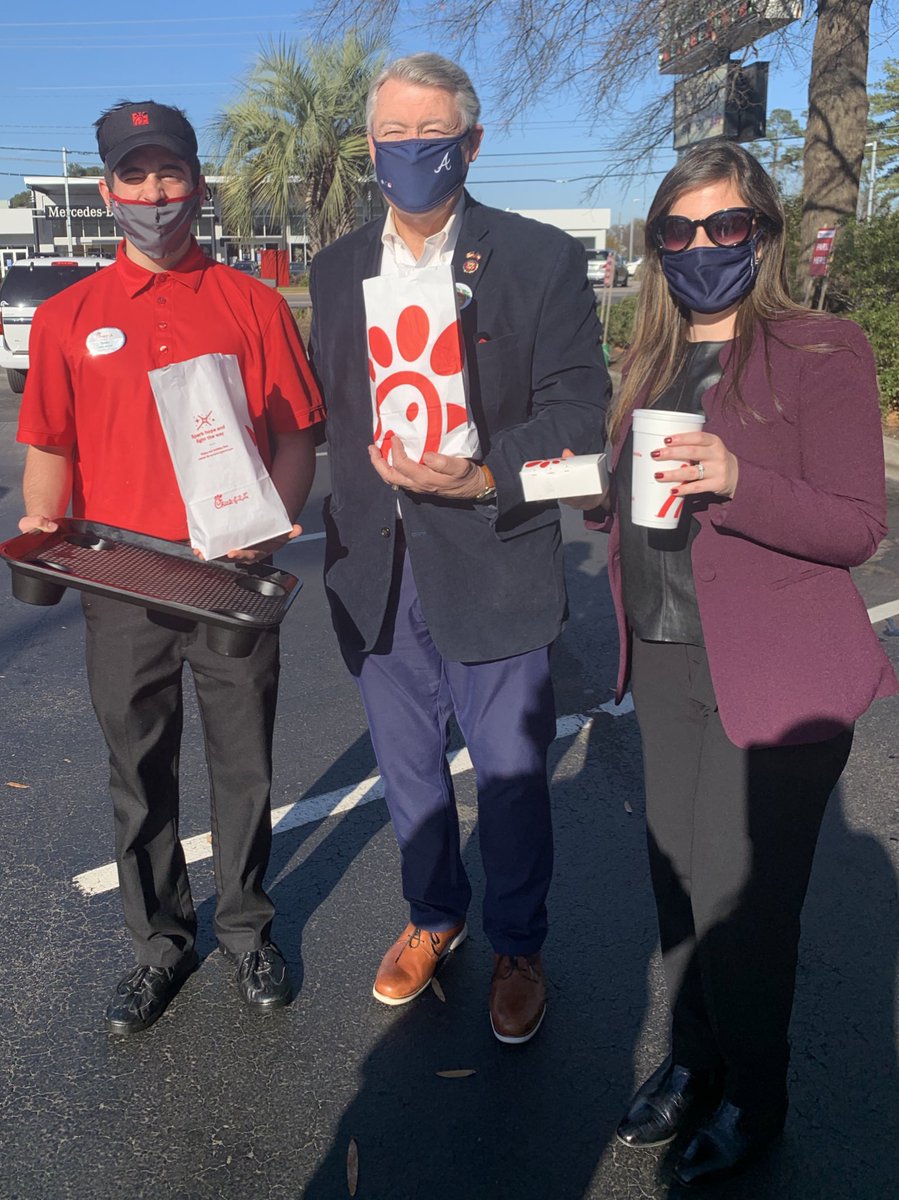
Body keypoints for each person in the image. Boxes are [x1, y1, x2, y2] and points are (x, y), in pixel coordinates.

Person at [567, 139, 898, 1185]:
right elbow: (639, 499)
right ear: (656, 246)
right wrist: (587, 485)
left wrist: (737, 477)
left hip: (776, 673)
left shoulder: (820, 349)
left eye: (723, 227)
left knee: (741, 908)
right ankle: (694, 1061)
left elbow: (855, 528)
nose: (699, 247)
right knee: (676, 885)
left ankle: (756, 1096)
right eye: (677, 231)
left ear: (760, 233)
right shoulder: (650, 357)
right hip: (664, 661)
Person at [308, 53, 609, 1043]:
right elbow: (328, 413)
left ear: (470, 145)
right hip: (374, 568)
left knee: (512, 780)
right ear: (369, 146)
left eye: (429, 137)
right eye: (392, 138)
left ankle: (517, 942)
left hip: (493, 562)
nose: (409, 154)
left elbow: (578, 413)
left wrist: (481, 472)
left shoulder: (535, 259)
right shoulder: (336, 268)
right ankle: (433, 916)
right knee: (407, 772)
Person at [16, 100, 324, 1034]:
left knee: (243, 766)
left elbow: (295, 436)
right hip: (122, 581)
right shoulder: (71, 316)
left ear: (197, 181)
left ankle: (244, 930)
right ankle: (159, 944)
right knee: (137, 769)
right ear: (108, 189)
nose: (155, 194)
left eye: (170, 173)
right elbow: (49, 445)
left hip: (229, 574)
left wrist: (268, 524)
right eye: (135, 176)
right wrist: (41, 521)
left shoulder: (252, 303)